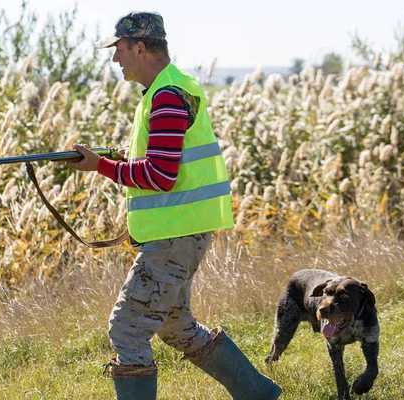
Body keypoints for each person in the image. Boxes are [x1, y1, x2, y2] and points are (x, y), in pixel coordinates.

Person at [65, 11, 282, 400]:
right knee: (175, 326)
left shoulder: (165, 95)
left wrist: (103, 167)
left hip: (175, 235)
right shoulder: (172, 88)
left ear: (140, 47)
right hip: (181, 230)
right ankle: (256, 392)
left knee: (128, 328)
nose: (116, 59)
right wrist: (115, 156)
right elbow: (167, 161)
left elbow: (160, 175)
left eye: (119, 50)